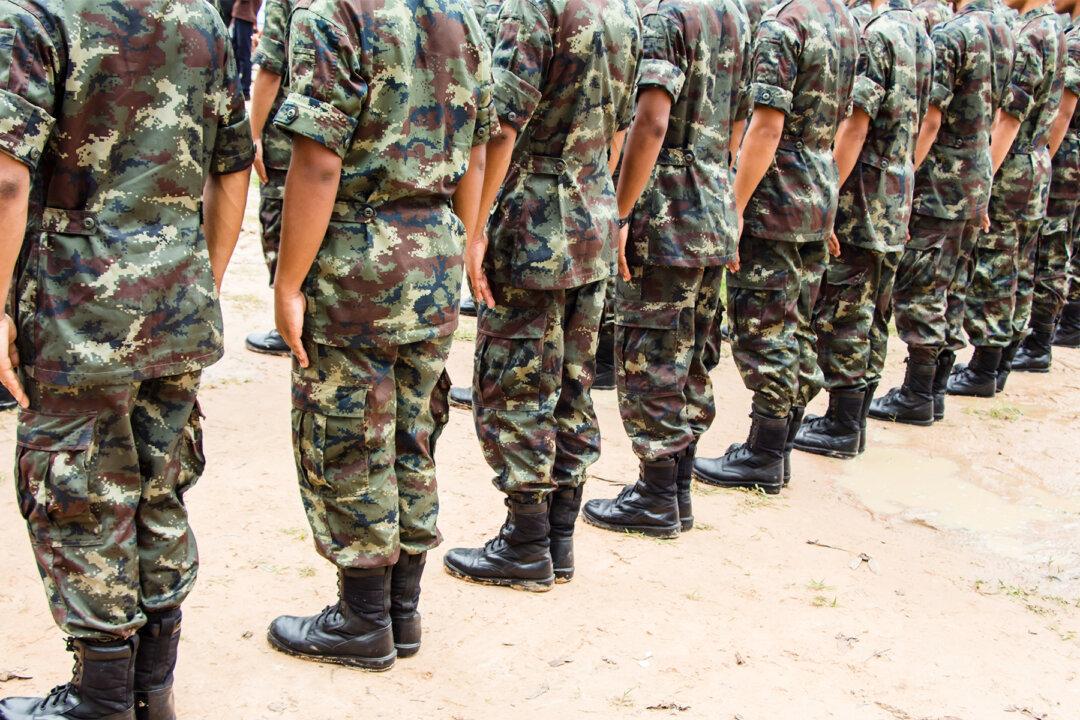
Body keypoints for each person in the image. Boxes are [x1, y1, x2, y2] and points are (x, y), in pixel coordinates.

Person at [0, 1, 253, 718]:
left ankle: (101, 695)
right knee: (157, 483)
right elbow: (235, 166)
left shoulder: (36, 16)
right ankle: (151, 686)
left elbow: (8, 179)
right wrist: (199, 270)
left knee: (79, 492)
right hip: (174, 292)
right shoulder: (202, 17)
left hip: (76, 303)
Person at [266, 0, 493, 670]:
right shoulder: (463, 17)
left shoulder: (333, 15)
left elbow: (318, 163)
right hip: (433, 250)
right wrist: (460, 239)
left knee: (348, 437)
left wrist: (288, 282)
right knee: (412, 432)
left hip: (356, 259)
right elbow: (479, 149)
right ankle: (402, 610)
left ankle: (362, 618)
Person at [442, 0, 642, 591]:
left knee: (517, 379)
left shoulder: (535, 8)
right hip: (592, 211)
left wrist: (475, 228)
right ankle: (557, 537)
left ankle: (527, 542)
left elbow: (503, 126)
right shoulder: (623, 12)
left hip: (534, 217)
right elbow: (619, 128)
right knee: (571, 380)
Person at [580, 0, 751, 538]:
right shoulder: (737, 15)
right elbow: (739, 120)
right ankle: (674, 489)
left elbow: (651, 121)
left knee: (652, 353)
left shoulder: (667, 19)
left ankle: (656, 494)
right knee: (691, 349)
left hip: (668, 210)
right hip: (711, 201)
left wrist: (623, 209)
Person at [691, 0, 859, 495]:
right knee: (796, 323)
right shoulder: (844, 21)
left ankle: (765, 453)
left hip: (777, 194)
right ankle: (776, 445)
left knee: (764, 327)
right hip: (817, 185)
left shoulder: (785, 24)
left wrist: (735, 207)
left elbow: (766, 125)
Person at [794, 0, 934, 458]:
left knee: (845, 309)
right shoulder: (919, 33)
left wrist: (828, 199)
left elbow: (855, 128)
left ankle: (841, 422)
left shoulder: (876, 35)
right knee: (873, 309)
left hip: (864, 190)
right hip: (897, 186)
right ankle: (852, 419)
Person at [869, 0, 1011, 425]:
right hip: (974, 172)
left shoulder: (954, 34)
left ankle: (917, 393)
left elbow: (931, 121)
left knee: (922, 288)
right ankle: (934, 391)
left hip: (941, 180)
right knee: (952, 284)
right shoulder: (1002, 29)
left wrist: (904, 182)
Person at [947, 0, 1064, 396]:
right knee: (1020, 266)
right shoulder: (1051, 29)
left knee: (995, 267)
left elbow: (1009, 118)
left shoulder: (1031, 35)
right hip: (1034, 160)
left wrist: (985, 179)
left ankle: (984, 368)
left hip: (1012, 163)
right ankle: (1000, 363)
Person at [1013, 0, 1080, 369]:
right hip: (1060, 152)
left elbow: (1064, 112)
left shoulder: (1071, 39)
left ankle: (1040, 339)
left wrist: (1044, 159)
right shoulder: (1062, 32)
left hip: (1063, 152)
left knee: (1052, 243)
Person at [244, 0, 297, 357]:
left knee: (281, 226)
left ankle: (288, 325)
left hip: (288, 133)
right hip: (340, 133)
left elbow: (272, 68)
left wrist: (254, 132)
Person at [231, 0, 262, 101]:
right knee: (236, 53)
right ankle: (235, 85)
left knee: (244, 55)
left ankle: (245, 90)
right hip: (241, 16)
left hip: (245, 17)